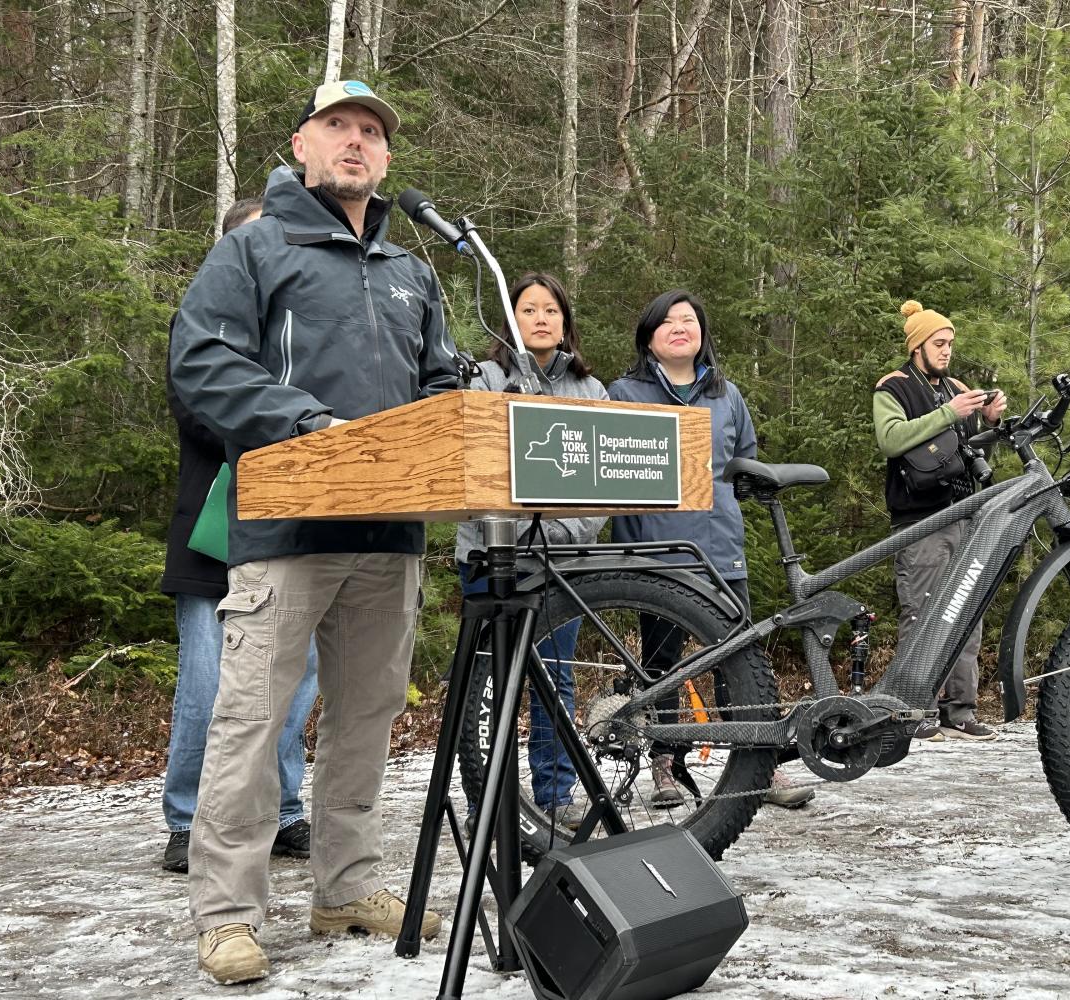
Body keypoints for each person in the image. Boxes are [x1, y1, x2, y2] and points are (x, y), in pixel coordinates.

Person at [169, 81, 458, 984]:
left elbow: (442, 379)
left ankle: (345, 888)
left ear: (387, 158)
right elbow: (201, 361)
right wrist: (306, 425)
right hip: (287, 531)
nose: (357, 142)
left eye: (372, 132)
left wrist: (450, 425)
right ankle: (226, 913)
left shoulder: (414, 272)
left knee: (366, 724)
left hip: (391, 538)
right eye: (339, 126)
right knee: (253, 726)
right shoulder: (256, 248)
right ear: (302, 144)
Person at [159, 198, 319, 874]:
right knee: (207, 682)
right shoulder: (198, 323)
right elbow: (198, 416)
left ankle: (282, 813)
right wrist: (280, 424)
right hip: (215, 529)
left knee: (295, 678)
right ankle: (187, 819)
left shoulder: (298, 329)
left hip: (293, 528)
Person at [607, 289, 815, 809]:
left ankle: (758, 767)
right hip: (653, 549)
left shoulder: (728, 395)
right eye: (669, 321)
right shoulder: (624, 393)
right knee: (661, 667)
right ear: (649, 336)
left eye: (691, 320)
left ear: (703, 334)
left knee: (740, 662)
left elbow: (744, 463)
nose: (682, 327)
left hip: (721, 547)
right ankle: (664, 766)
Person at [456, 273, 607, 826]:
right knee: (489, 681)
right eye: (528, 309)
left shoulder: (592, 391)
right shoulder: (484, 378)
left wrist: (561, 534)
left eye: (551, 310)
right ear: (510, 319)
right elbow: (468, 466)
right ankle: (486, 802)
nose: (540, 319)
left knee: (555, 679)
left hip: (561, 562)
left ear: (565, 322)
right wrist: (514, 535)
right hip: (489, 557)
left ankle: (554, 795)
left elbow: (607, 480)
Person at [874, 300, 1005, 742]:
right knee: (923, 610)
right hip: (920, 519)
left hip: (966, 513)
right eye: (939, 343)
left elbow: (972, 452)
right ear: (918, 347)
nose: (947, 350)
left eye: (950, 343)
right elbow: (891, 440)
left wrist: (988, 420)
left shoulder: (956, 387)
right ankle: (916, 710)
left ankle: (959, 711)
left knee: (968, 610)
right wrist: (951, 413)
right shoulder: (894, 387)